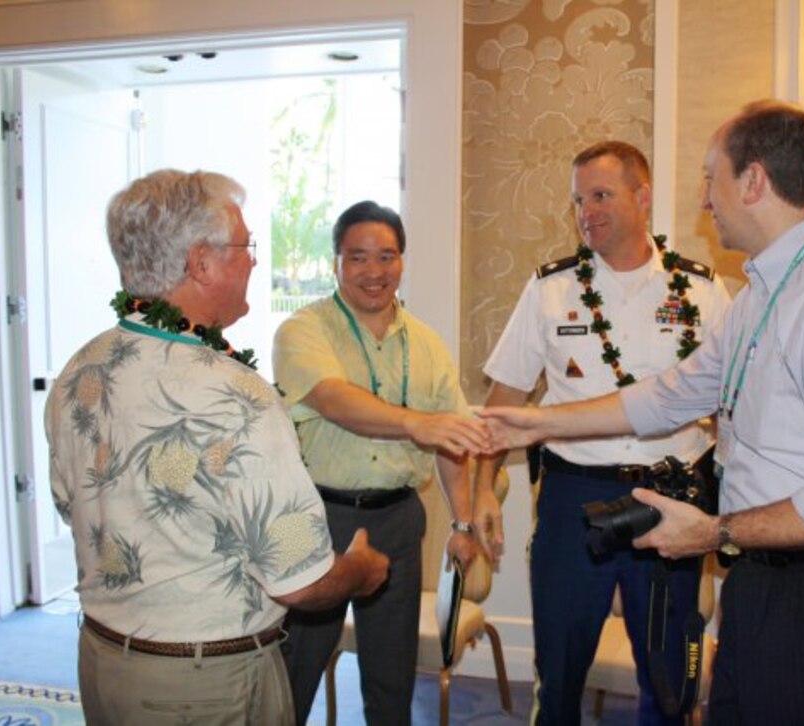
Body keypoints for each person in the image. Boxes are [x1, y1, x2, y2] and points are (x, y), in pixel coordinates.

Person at [481, 101, 804, 725]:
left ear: (753, 182)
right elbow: (672, 394)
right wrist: (534, 422)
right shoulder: (763, 295)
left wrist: (717, 532)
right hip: (766, 578)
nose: (703, 199)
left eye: (709, 177)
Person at [45, 169, 389, 725]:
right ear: (201, 262)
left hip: (102, 662)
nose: (254, 259)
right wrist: (362, 569)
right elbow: (301, 580)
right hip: (205, 687)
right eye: (245, 245)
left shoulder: (81, 367)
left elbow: (72, 505)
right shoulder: (236, 396)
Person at [473, 140, 731, 725]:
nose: (586, 211)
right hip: (573, 498)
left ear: (643, 198)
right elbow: (505, 399)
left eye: (601, 195)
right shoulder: (549, 291)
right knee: (558, 672)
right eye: (578, 200)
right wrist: (484, 490)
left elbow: (730, 411)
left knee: (669, 678)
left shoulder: (704, 292)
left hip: (669, 499)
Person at [273, 200, 487, 725]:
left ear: (402, 261)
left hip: (397, 519)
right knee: (297, 668)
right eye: (359, 257)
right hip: (316, 517)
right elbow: (333, 399)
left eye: (386, 256)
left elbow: (452, 440)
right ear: (336, 262)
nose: (374, 271)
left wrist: (460, 522)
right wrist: (417, 422)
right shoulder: (304, 330)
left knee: (392, 676)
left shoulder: (427, 343)